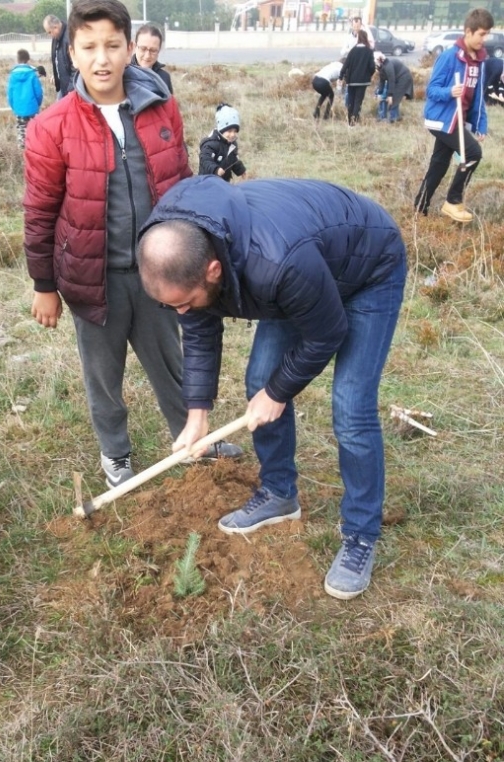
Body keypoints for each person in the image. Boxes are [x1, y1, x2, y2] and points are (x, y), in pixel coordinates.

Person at [137, 176, 407, 600]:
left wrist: (279, 392)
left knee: (351, 408)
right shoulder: (180, 243)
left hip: (368, 268)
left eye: (184, 301)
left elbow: (327, 333)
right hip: (306, 268)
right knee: (259, 380)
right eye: (172, 305)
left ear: (213, 270)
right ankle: (279, 493)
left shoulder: (277, 263)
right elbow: (199, 328)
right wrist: (197, 415)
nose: (181, 312)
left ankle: (361, 534)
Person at [23, 0, 241, 490]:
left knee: (172, 363)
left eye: (112, 45)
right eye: (89, 47)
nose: (101, 59)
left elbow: (181, 184)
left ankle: (192, 439)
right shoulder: (50, 126)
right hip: (92, 278)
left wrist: (199, 253)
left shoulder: (161, 108)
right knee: (103, 375)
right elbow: (39, 212)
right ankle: (115, 453)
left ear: (129, 49)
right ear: (72, 53)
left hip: (157, 273)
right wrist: (44, 285)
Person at [414, 8, 493, 223]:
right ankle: (453, 201)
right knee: (473, 153)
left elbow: (478, 96)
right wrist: (450, 92)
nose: (484, 39)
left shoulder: (480, 61)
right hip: (442, 120)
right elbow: (431, 90)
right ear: (468, 31)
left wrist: (480, 124)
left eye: (487, 34)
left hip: (459, 120)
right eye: (481, 34)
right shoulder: (450, 57)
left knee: (439, 164)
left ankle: (419, 207)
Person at [198, 104, 247, 181]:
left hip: (223, 182)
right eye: (229, 131)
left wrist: (241, 170)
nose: (232, 134)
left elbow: (233, 159)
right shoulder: (210, 144)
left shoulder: (232, 144)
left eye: (235, 131)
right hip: (207, 181)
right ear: (221, 130)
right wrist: (216, 169)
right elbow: (205, 160)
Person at [7, 49, 44, 149]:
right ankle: (35, 147)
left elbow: (10, 94)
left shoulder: (13, 76)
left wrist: (13, 106)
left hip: (19, 108)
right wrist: (38, 103)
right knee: (34, 128)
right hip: (32, 107)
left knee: (21, 129)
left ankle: (22, 148)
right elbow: (38, 92)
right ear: (28, 59)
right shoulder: (32, 74)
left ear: (17, 60)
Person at [339, 29, 376, 125]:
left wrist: (341, 76)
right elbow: (372, 67)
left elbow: (346, 65)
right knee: (358, 101)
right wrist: (369, 75)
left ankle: (349, 120)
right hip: (363, 81)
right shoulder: (369, 51)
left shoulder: (353, 50)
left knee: (350, 101)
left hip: (351, 80)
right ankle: (354, 121)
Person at [131, 22, 172, 93]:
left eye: (153, 50)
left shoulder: (164, 78)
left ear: (159, 50)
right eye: (143, 49)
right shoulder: (123, 75)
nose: (147, 56)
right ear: (135, 46)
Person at [374, 52, 414, 122]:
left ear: (379, 60)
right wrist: (379, 93)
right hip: (397, 79)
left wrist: (390, 95)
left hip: (403, 78)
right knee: (391, 97)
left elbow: (391, 81)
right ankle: (392, 116)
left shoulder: (388, 66)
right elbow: (382, 81)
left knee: (395, 98)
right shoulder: (381, 67)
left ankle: (394, 118)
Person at [43, 14, 75, 99]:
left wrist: (71, 89)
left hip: (70, 88)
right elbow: (57, 60)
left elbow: (75, 67)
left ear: (55, 27)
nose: (50, 35)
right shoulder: (56, 38)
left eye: (49, 32)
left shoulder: (69, 38)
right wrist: (56, 75)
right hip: (62, 85)